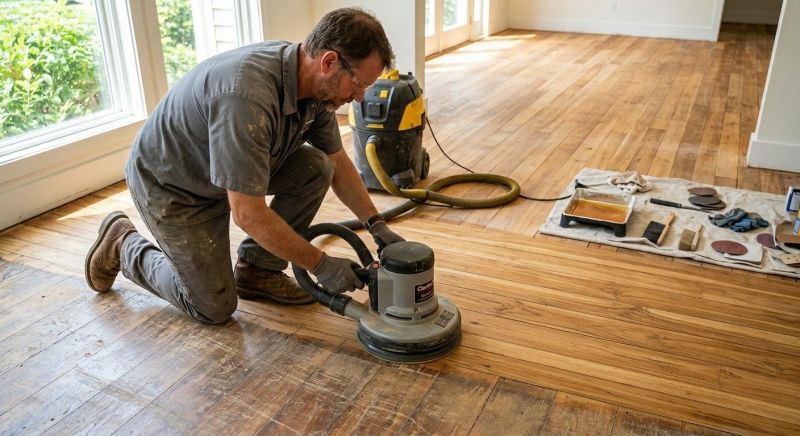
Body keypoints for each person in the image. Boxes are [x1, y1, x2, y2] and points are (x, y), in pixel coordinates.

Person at [83, 7, 405, 324]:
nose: (360, 97)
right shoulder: (247, 96)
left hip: (220, 173)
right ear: (329, 62)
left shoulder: (316, 89)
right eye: (359, 84)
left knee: (317, 166)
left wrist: (376, 225)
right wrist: (320, 265)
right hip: (172, 185)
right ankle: (121, 243)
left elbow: (337, 162)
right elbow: (247, 213)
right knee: (212, 305)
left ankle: (258, 269)